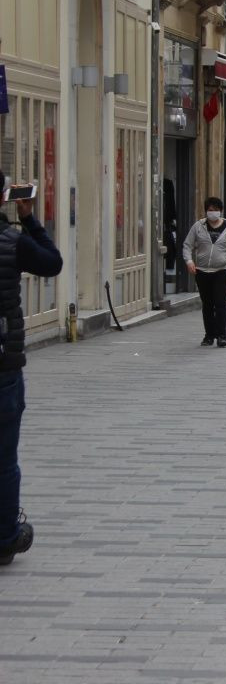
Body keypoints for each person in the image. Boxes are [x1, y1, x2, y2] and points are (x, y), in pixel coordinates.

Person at [0, 173, 64, 567]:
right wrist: (29, 217)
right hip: (3, 364)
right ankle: (6, 536)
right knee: (4, 457)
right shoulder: (12, 242)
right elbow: (52, 263)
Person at [182, 196, 226, 348]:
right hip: (202, 272)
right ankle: (209, 335)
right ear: (206, 211)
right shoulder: (198, 226)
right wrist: (189, 261)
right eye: (210, 210)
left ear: (221, 211)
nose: (213, 213)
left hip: (222, 270)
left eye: (216, 210)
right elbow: (187, 245)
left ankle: (222, 336)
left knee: (220, 303)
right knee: (207, 305)